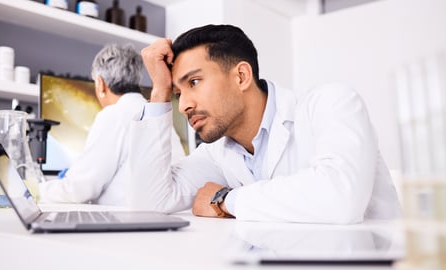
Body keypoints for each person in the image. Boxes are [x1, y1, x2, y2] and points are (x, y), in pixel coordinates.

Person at [129, 24, 401, 223]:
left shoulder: (331, 102)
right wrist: (159, 93)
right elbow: (149, 203)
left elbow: (341, 200)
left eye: (194, 82)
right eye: (178, 94)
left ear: (242, 76)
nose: (184, 104)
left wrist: (226, 199)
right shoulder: (218, 153)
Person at [39, 44, 185, 206]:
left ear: (100, 84)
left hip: (130, 219)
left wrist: (34, 191)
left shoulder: (115, 113)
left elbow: (79, 190)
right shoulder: (154, 112)